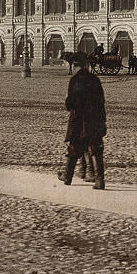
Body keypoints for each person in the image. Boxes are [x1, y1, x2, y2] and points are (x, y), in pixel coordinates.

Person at [58, 60, 107, 189]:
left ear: (75, 66)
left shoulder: (75, 80)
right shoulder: (95, 79)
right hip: (95, 119)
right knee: (96, 148)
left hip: (79, 119)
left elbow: (70, 103)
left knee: (73, 147)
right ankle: (99, 180)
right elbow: (101, 100)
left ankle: (67, 177)